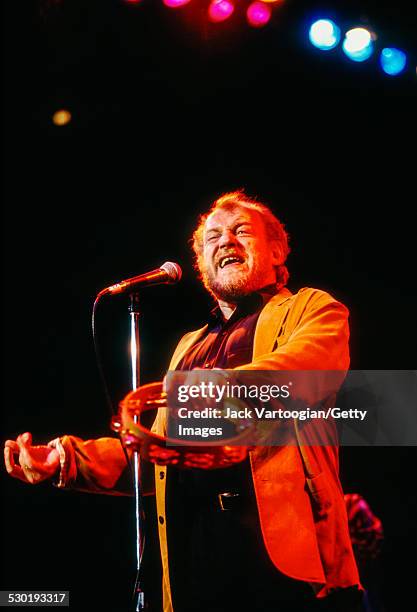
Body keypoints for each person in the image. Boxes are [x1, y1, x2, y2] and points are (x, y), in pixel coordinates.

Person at [4, 190, 363, 612]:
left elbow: (303, 372)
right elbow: (158, 451)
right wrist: (68, 459)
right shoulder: (189, 347)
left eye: (241, 231)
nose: (226, 241)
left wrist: (205, 390)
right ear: (200, 265)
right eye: (212, 238)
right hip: (195, 555)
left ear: (277, 250)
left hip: (286, 559)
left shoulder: (312, 308)